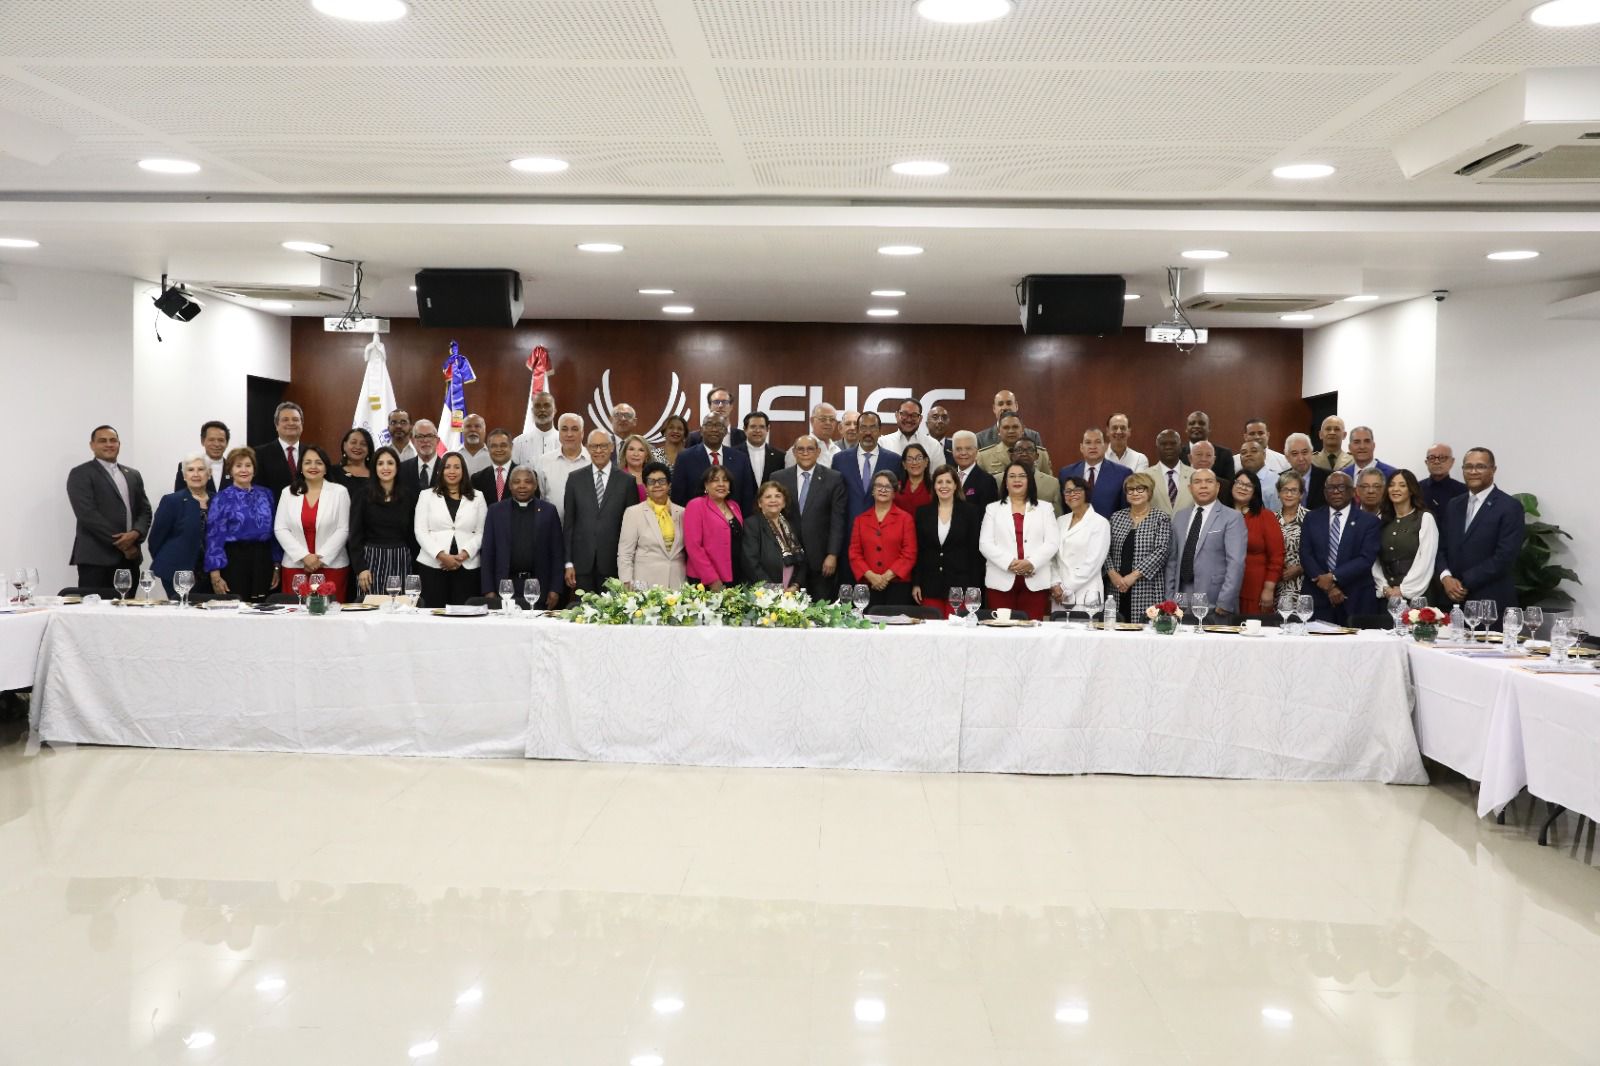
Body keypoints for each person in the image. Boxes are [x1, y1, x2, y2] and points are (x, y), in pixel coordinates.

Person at [1437, 447, 1525, 617]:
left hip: (1490, 603)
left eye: (1480, 466)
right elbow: (1441, 547)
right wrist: (1446, 578)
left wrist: (1462, 582)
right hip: (1452, 603)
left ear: (1493, 470)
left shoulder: (1509, 507)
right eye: (1468, 467)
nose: (1473, 472)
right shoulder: (1454, 505)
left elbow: (1505, 556)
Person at [68, 424, 152, 589]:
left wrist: (136, 533)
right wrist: (124, 544)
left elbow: (145, 510)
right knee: (95, 606)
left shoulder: (133, 474)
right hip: (96, 559)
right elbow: (87, 514)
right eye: (102, 441)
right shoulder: (81, 473)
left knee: (127, 605)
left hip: (130, 559)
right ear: (92, 445)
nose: (109, 444)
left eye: (113, 440)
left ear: (119, 444)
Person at [978, 462, 1059, 619]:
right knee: (1002, 628)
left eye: (1022, 476)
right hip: (1000, 580)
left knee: (1031, 628)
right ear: (1005, 482)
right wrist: (1010, 563)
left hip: (1035, 579)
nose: (1017, 480)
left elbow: (1052, 542)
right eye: (1012, 476)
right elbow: (985, 544)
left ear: (1030, 481)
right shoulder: (993, 509)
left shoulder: (1045, 508)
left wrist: (1031, 562)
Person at [1300, 471, 1382, 624]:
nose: (1336, 491)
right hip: (1318, 596)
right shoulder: (1311, 517)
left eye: (1342, 487)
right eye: (1331, 488)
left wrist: (1333, 577)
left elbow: (1366, 558)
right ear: (1325, 492)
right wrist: (1329, 587)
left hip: (1355, 597)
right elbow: (1306, 554)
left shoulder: (1369, 521)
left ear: (1353, 491)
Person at [772, 435, 847, 601]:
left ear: (818, 452)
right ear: (794, 452)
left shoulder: (833, 478)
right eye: (800, 449)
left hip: (821, 560)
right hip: (789, 559)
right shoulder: (778, 478)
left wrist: (832, 554)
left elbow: (837, 520)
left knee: (821, 610)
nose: (805, 453)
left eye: (810, 449)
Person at [1166, 469, 1247, 620]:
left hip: (1215, 601)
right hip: (1181, 601)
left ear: (1218, 487)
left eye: (1209, 481)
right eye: (1197, 482)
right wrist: (1170, 599)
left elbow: (1236, 563)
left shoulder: (1232, 517)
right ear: (1190, 488)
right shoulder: (1180, 516)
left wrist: (1225, 601)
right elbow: (1172, 560)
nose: (1203, 486)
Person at [275, 444, 352, 602]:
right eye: (308, 462)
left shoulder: (339, 492)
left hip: (331, 566)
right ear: (301, 467)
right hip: (296, 567)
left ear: (326, 468)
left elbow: (343, 529)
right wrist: (304, 556)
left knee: (329, 613)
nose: (313, 466)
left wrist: (321, 559)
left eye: (318, 462)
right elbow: (280, 529)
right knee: (296, 613)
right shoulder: (288, 492)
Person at [563, 432, 637, 593]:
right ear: (587, 448)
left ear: (612, 448)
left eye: (603, 446)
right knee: (582, 608)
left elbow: (633, 529)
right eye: (594, 446)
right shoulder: (574, 479)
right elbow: (569, 524)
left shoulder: (627, 481)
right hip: (581, 564)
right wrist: (568, 563)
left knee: (612, 609)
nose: (598, 450)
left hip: (614, 564)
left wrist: (630, 567)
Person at [480, 466, 563, 608]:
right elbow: (487, 553)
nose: (522, 486)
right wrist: (488, 590)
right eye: (517, 482)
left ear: (535, 485)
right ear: (510, 485)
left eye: (528, 482)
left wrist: (555, 589)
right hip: (505, 586)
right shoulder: (496, 511)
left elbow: (557, 553)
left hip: (538, 586)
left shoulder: (549, 511)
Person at [205, 447, 279, 601]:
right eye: (238, 466)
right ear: (231, 470)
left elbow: (274, 531)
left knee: (262, 607)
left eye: (248, 465)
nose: (244, 470)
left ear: (254, 469)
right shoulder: (221, 498)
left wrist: (277, 566)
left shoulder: (266, 494)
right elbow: (214, 536)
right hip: (234, 560)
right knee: (237, 606)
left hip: (263, 558)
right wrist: (215, 573)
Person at [415, 451, 487, 607]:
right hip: (433, 565)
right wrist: (441, 556)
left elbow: (481, 532)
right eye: (447, 467)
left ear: (463, 471)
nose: (452, 471)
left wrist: (463, 555)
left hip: (467, 566)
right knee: (433, 613)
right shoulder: (426, 496)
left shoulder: (478, 497)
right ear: (440, 471)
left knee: (465, 614)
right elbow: (420, 532)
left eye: (457, 467)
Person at [912, 465, 983, 617]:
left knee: (956, 629)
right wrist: (916, 583)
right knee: (931, 629)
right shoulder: (922, 512)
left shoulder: (970, 512)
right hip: (930, 585)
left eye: (948, 482)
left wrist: (974, 588)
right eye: (939, 482)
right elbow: (919, 551)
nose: (944, 486)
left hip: (960, 586)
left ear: (956, 485)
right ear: (934, 486)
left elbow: (974, 552)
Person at [350, 446, 416, 598]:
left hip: (401, 559)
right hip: (371, 561)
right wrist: (360, 568)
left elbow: (412, 536)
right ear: (374, 468)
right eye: (380, 463)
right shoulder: (362, 495)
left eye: (390, 463)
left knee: (400, 608)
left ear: (397, 467)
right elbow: (355, 535)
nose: (385, 468)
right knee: (370, 607)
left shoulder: (408, 496)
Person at [1105, 472, 1172, 623]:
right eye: (1130, 489)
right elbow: (1104, 549)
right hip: (1117, 586)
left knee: (1143, 629)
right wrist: (1112, 573)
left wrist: (1133, 576)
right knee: (1116, 627)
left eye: (1140, 489)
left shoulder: (1160, 518)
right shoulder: (1116, 517)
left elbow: (1161, 551)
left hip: (1146, 587)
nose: (1135, 493)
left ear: (1149, 492)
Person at [850, 470, 917, 606]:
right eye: (879, 486)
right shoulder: (860, 520)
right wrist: (871, 576)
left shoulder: (906, 519)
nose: (882, 490)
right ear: (873, 491)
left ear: (894, 492)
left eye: (888, 487)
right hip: (868, 585)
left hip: (898, 586)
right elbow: (854, 553)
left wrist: (885, 577)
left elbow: (909, 553)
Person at [149, 454, 212, 599]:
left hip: (211, 573)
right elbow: (156, 539)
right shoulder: (172, 501)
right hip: (177, 571)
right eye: (190, 470)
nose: (196, 474)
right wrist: (170, 560)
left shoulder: (218, 500)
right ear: (184, 476)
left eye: (201, 469)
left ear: (209, 474)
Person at [616, 462, 686, 591]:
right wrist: (626, 583)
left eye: (662, 481)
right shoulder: (633, 512)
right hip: (645, 584)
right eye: (651, 482)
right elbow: (625, 553)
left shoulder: (682, 512)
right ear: (645, 487)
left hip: (677, 583)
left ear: (669, 485)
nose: (657, 485)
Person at [670, 413, 756, 515]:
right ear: (701, 430)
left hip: (733, 520)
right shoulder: (685, 458)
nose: (714, 429)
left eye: (719, 425)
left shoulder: (741, 459)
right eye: (709, 425)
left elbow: (747, 497)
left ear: (725, 432)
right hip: (697, 519)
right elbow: (678, 497)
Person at [1374, 469, 1439, 603]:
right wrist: (1384, 587)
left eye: (1402, 485)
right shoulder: (1381, 519)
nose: (1395, 489)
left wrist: (1403, 590)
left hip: (1417, 596)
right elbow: (1375, 560)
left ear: (1411, 490)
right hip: (1387, 596)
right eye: (1391, 485)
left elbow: (1426, 560)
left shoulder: (1425, 518)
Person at [1049, 474, 1111, 613]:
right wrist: (1055, 584)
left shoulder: (1100, 523)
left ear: (1086, 492)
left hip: (1086, 593)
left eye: (1076, 490)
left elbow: (1093, 563)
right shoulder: (1060, 521)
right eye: (1067, 491)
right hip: (1059, 595)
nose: (1072, 494)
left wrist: (1065, 588)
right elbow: (1052, 557)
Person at [1228, 470, 1285, 617]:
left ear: (1255, 492)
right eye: (1239, 483)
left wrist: (1269, 589)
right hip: (1222, 589)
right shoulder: (1220, 513)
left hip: (1254, 589)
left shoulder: (1265, 516)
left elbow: (1277, 557)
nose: (1242, 487)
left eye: (1248, 485)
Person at [683, 465, 744, 589]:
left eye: (725, 480)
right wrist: (712, 579)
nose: (721, 484)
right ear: (706, 485)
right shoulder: (696, 505)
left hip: (734, 574)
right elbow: (693, 546)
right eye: (715, 480)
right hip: (706, 579)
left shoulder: (734, 506)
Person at [743, 481, 808, 590]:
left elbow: (803, 560)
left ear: (784, 502)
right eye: (768, 497)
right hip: (764, 592)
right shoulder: (752, 524)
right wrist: (773, 589)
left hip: (792, 591)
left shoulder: (791, 526)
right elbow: (750, 563)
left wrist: (796, 585)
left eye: (778, 496)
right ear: (760, 503)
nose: (773, 500)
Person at [1058, 427, 1129, 519]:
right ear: (1081, 447)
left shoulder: (1122, 474)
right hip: (1075, 526)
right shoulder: (1066, 473)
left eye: (1098, 442)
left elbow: (1126, 511)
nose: (1093, 447)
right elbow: (1063, 508)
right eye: (1088, 442)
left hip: (1109, 526)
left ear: (1105, 447)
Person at [533, 414, 590, 521]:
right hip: (551, 526)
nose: (569, 434)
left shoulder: (593, 461)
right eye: (564, 429)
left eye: (574, 429)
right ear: (559, 433)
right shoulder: (544, 461)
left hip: (586, 528)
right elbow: (538, 498)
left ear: (582, 433)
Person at [251, 401, 305, 496]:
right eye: (285, 420)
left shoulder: (312, 453)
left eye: (295, 419)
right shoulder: (259, 454)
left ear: (302, 424)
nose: (291, 423)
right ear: (276, 425)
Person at [978, 414, 1052, 479]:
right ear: (998, 431)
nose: (1011, 431)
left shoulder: (1041, 454)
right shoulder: (983, 456)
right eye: (1006, 427)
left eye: (1015, 427)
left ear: (1023, 430)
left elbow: (1048, 482)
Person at [880, 398, 945, 470]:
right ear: (896, 415)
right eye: (904, 414)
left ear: (920, 419)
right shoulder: (882, 443)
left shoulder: (934, 445)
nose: (909, 419)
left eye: (914, 415)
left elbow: (940, 475)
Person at [1275, 470, 1307, 607]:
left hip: (1302, 586)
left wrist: (1301, 568)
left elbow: (1321, 553)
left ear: (1301, 494)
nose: (1289, 494)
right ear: (1278, 493)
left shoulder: (1311, 518)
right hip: (1274, 586)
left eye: (1294, 490)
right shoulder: (1270, 519)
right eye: (1285, 490)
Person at [173, 420, 231, 494]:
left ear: (227, 443)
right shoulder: (186, 466)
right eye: (211, 440)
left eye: (221, 440)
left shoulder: (233, 468)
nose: (216, 444)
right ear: (202, 441)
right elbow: (179, 496)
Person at [1008, 439, 1061, 516]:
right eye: (1019, 450)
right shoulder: (999, 480)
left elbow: (1057, 515)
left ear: (1037, 456)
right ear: (1012, 456)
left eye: (1029, 450)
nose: (1024, 454)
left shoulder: (1052, 483)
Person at [976, 390, 1043, 449]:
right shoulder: (980, 439)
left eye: (1009, 403)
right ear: (994, 408)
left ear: (1016, 406)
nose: (1005, 407)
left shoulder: (1033, 436)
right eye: (1000, 404)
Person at [1147, 429, 1193, 516]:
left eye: (1173, 443)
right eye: (1163, 444)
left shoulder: (1194, 475)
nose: (1168, 447)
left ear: (1180, 447)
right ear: (1157, 447)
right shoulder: (1145, 476)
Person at [950, 430, 999, 509]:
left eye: (968, 448)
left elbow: (988, 514)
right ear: (952, 452)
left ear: (976, 451)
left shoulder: (987, 481)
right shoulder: (947, 477)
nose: (963, 453)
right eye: (958, 449)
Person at [1180, 410, 1235, 480]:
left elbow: (1230, 483)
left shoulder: (1225, 454)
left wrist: (1207, 477)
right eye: (1192, 423)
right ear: (1186, 429)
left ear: (1209, 428)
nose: (1196, 426)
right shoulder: (1178, 454)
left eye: (1201, 423)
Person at [470, 428, 518, 506]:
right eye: (494, 446)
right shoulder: (477, 479)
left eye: (503, 445)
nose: (499, 449)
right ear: (488, 449)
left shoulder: (527, 476)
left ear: (511, 446)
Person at [1420, 443, 1467, 522]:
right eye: (1432, 458)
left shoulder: (1464, 491)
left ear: (1452, 461)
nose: (1437, 461)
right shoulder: (1416, 489)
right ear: (1426, 462)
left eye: (1442, 458)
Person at [1283, 432, 1329, 512]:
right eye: (1295, 454)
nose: (1301, 458)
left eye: (1304, 452)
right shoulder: (1280, 479)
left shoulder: (1328, 478)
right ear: (1287, 457)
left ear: (1311, 453)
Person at [511, 392, 560, 467]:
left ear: (554, 410)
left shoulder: (564, 441)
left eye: (547, 405)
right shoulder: (518, 442)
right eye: (537, 406)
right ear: (532, 411)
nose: (542, 409)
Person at [742, 412, 785, 484]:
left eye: (762, 427)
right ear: (745, 429)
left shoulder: (780, 456)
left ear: (767, 429)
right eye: (753, 427)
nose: (757, 431)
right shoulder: (734, 454)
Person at [332, 426, 374, 497]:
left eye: (363, 444)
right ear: (344, 445)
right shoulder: (332, 472)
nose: (358, 447)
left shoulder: (376, 475)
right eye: (353, 442)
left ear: (369, 449)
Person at [1238, 441, 1280, 513]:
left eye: (1254, 451)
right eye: (1244, 452)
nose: (1248, 454)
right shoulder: (1237, 481)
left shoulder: (1277, 481)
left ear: (1264, 455)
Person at [894, 443, 934, 515]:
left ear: (926, 462)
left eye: (919, 458)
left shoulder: (934, 488)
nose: (914, 462)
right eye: (909, 459)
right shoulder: (895, 488)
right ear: (904, 464)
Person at [402, 419, 441, 493]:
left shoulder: (446, 468)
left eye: (430, 436)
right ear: (412, 441)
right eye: (420, 436)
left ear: (437, 440)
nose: (425, 440)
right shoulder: (402, 469)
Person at [615, 433, 654, 502]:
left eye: (641, 450)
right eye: (631, 449)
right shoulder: (618, 478)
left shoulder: (654, 475)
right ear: (624, 453)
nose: (636, 454)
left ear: (646, 456)